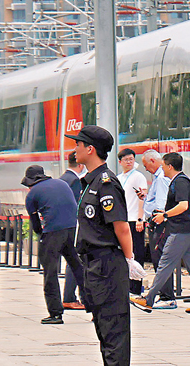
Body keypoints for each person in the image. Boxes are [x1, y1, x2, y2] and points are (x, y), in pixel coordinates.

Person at [66, 124, 145, 366]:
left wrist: (129, 260)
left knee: (114, 330)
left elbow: (121, 227)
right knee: (103, 327)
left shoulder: (106, 182)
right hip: (94, 266)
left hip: (108, 265)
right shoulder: (90, 182)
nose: (74, 149)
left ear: (90, 149)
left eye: (78, 144)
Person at [130, 152, 190, 314]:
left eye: (163, 165)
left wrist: (164, 215)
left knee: (165, 264)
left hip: (181, 231)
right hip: (188, 230)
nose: (162, 168)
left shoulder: (180, 182)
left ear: (170, 166)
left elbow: (183, 206)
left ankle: (148, 299)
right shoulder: (181, 180)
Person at [22, 165, 88, 324]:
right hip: (72, 228)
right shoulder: (62, 184)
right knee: (77, 266)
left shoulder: (32, 195)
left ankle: (55, 313)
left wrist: (42, 236)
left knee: (50, 272)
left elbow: (36, 223)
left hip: (52, 232)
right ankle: (93, 306)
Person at [139, 149, 176, 309]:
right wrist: (147, 198)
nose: (146, 169)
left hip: (159, 223)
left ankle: (167, 297)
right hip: (159, 222)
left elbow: (161, 203)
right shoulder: (159, 178)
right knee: (161, 259)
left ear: (153, 161)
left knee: (160, 259)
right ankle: (165, 295)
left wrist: (157, 218)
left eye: (146, 165)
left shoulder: (161, 179)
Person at [117, 148, 148, 295]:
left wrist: (140, 218)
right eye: (126, 160)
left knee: (137, 252)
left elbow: (142, 198)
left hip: (135, 219)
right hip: (123, 219)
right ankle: (126, 286)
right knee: (125, 254)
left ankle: (136, 287)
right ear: (120, 162)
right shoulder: (119, 178)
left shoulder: (138, 176)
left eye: (131, 159)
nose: (129, 162)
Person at [59, 152, 86, 310]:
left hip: (62, 226)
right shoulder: (75, 180)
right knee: (75, 262)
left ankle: (69, 296)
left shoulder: (62, 178)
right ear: (80, 164)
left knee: (72, 261)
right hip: (74, 225)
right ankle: (70, 297)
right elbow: (76, 204)